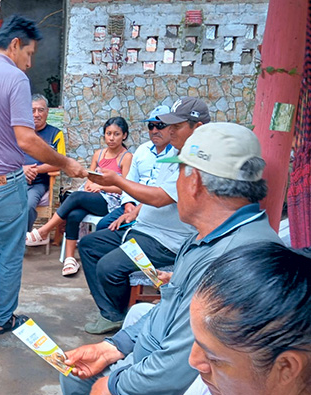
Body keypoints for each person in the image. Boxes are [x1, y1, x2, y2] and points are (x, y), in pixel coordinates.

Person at [60, 122, 282, 395]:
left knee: (81, 381)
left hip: (180, 381)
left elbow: (177, 368)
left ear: (194, 182)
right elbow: (170, 308)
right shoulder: (208, 236)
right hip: (154, 358)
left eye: (178, 172)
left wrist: (114, 387)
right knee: (75, 373)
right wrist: (113, 348)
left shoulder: (237, 262)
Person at [0, 14, 86, 351]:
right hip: (2, 186)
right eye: (30, 54)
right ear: (14, 45)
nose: (30, 62)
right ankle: (1, 319)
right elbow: (26, 140)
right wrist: (65, 162)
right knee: (9, 257)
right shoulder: (15, 79)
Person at [78, 97, 208, 335]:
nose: (167, 131)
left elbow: (160, 197)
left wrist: (117, 180)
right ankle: (111, 311)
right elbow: (158, 193)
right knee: (89, 244)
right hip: (142, 228)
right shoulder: (175, 156)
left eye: (176, 126)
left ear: (197, 129)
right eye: (163, 125)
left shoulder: (195, 163)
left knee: (109, 266)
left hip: (164, 241)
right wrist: (134, 210)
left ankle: (116, 314)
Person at [186, 241, 311, 395]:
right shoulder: (215, 385)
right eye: (196, 340)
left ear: (285, 367)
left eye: (214, 358)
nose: (193, 361)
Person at [27, 117, 132, 276]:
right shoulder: (99, 154)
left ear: (124, 135)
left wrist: (101, 186)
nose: (111, 138)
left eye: (116, 134)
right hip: (92, 196)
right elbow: (90, 176)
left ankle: (45, 230)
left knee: (75, 197)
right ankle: (70, 259)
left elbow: (125, 188)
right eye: (108, 133)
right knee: (74, 213)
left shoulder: (126, 157)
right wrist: (90, 185)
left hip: (112, 201)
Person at [95, 105, 174, 230]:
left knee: (118, 232)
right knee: (103, 227)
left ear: (172, 128)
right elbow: (130, 180)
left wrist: (136, 210)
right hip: (132, 205)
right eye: (151, 126)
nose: (154, 131)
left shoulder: (176, 155)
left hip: (156, 209)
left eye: (160, 126)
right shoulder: (143, 150)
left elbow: (164, 194)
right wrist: (128, 203)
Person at [23, 94, 65, 233]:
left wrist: (36, 170)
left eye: (40, 110)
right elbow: (5, 160)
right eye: (32, 110)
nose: (36, 114)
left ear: (47, 112)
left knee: (28, 206)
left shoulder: (56, 134)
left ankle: (22, 240)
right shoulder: (19, 133)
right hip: (15, 180)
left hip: (38, 183)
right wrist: (22, 169)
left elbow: (60, 163)